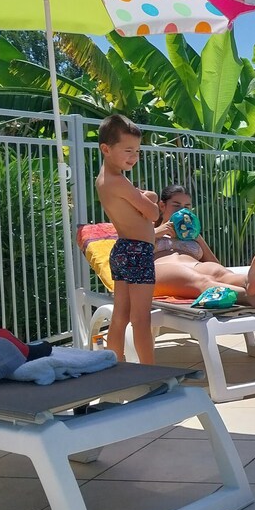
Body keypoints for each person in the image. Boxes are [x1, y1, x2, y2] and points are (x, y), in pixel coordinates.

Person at [153, 184, 255, 304]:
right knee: (202, 281)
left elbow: (215, 263)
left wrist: (197, 237)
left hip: (194, 265)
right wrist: (156, 232)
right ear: (162, 206)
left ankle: (247, 282)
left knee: (219, 272)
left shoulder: (192, 234)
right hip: (160, 269)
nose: (181, 211)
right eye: (176, 205)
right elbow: (133, 250)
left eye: (187, 207)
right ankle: (249, 296)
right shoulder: (148, 228)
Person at [95, 114, 158, 365]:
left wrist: (145, 199)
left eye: (138, 151)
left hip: (122, 250)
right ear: (106, 149)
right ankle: (151, 372)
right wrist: (148, 203)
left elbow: (145, 200)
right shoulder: (120, 181)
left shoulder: (104, 180)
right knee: (141, 318)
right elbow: (153, 213)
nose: (134, 156)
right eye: (128, 150)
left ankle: (116, 365)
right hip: (138, 251)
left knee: (120, 315)